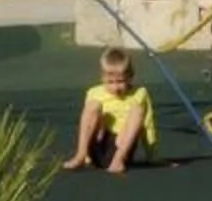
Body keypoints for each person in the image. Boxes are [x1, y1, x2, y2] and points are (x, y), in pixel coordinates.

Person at [63, 46, 156, 174]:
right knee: (93, 106)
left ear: (130, 76)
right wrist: (88, 155)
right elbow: (87, 122)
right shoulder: (94, 92)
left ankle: (117, 161)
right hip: (99, 144)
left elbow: (148, 125)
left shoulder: (140, 93)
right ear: (102, 78)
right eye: (110, 82)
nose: (115, 87)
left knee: (137, 111)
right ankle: (81, 155)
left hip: (122, 146)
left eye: (120, 81)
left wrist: (152, 155)